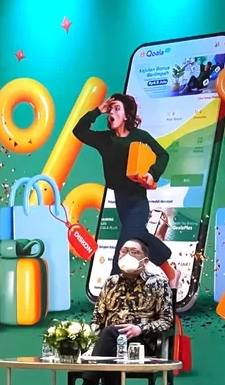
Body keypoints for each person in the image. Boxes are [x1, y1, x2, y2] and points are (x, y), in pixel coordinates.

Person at [56, 238, 174, 385]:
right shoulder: (110, 282)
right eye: (123, 251)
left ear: (145, 260)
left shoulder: (158, 283)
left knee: (109, 336)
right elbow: (97, 319)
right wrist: (90, 342)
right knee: (109, 341)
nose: (127, 255)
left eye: (134, 252)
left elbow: (167, 321)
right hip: (109, 343)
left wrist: (140, 329)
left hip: (140, 344)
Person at [72, 93, 178, 288]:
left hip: (138, 202)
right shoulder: (105, 140)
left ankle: (112, 290)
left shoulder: (140, 136)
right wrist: (98, 110)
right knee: (142, 237)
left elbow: (163, 155)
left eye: (117, 108)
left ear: (127, 115)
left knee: (124, 247)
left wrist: (152, 173)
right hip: (121, 202)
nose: (112, 112)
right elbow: (78, 131)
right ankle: (172, 274)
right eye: (111, 109)